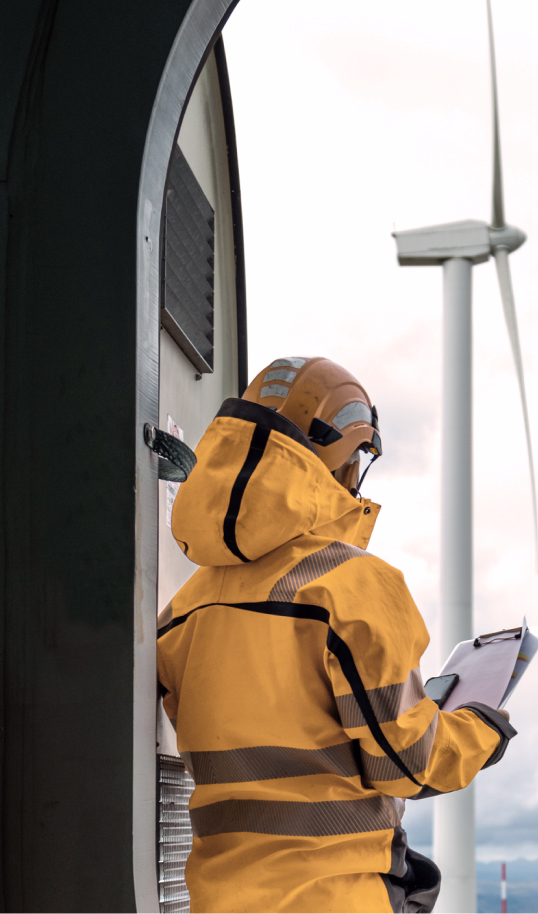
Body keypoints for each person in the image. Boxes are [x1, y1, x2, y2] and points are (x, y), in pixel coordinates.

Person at [157, 356, 516, 913]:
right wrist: (482, 730)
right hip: (335, 897)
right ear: (344, 459)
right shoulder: (352, 585)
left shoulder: (185, 607)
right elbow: (409, 762)